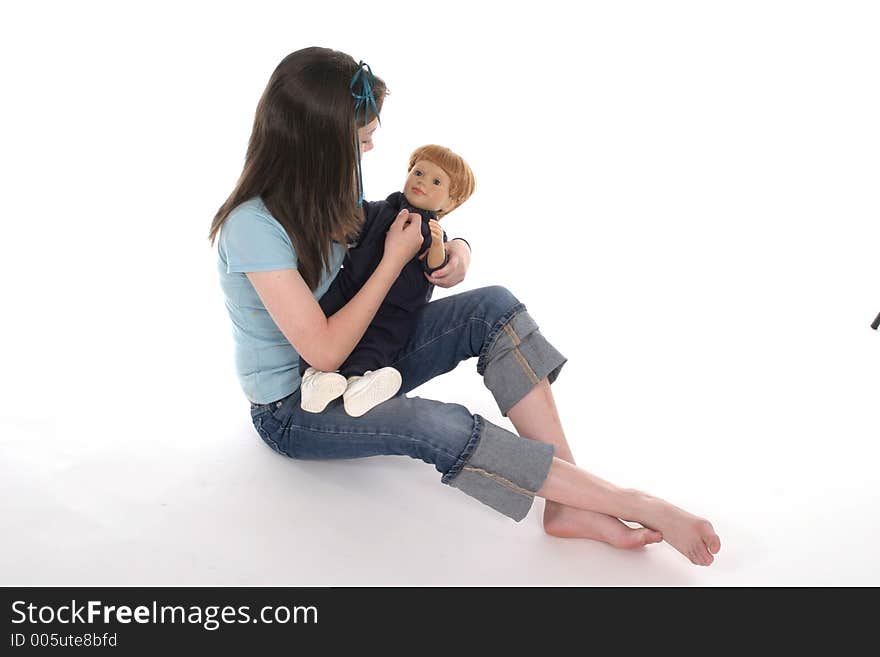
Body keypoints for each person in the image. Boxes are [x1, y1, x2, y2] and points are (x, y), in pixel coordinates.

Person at [208, 47, 722, 566]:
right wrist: (391, 261)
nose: (372, 144)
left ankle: (568, 506)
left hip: (361, 362)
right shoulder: (253, 226)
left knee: (493, 306)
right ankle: (626, 501)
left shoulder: (329, 195)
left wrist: (456, 248)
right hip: (297, 407)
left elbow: (396, 223)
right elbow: (321, 350)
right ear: (319, 141)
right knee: (437, 425)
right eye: (362, 136)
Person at [297, 144, 476, 417]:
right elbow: (351, 224)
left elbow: (435, 267)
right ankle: (314, 378)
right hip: (351, 291)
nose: (422, 182)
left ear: (450, 203)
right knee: (324, 319)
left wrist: (442, 243)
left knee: (378, 345)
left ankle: (359, 383)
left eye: (436, 181)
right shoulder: (382, 210)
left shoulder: (433, 234)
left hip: (395, 311)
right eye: (418, 172)